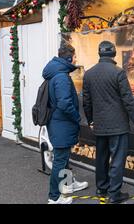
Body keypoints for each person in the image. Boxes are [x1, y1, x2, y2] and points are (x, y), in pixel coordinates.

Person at [83, 41, 134, 204]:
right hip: (118, 125)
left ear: (99, 53)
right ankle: (114, 194)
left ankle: (101, 188)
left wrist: (90, 120)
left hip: (100, 124)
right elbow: (128, 100)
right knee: (117, 159)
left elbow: (86, 101)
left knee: (101, 157)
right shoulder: (118, 73)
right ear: (114, 54)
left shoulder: (89, 74)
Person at [43, 43, 88, 204]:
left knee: (64, 157)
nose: (76, 59)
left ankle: (68, 184)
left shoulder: (57, 73)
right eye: (75, 57)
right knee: (60, 160)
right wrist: (77, 117)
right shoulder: (61, 77)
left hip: (59, 123)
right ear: (68, 58)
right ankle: (54, 197)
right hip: (61, 124)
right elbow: (64, 103)